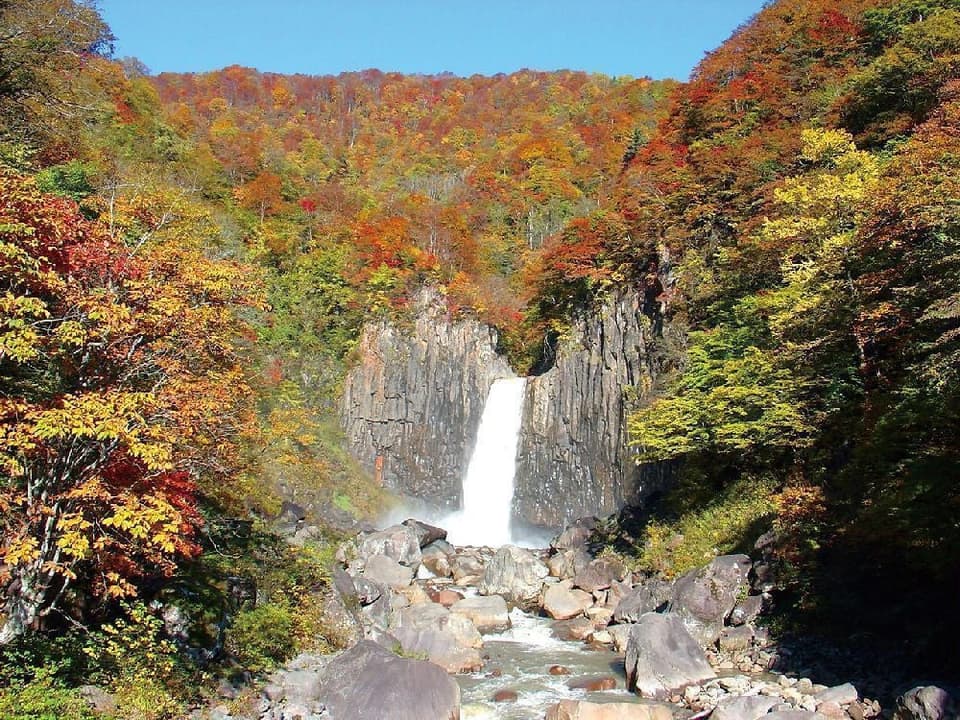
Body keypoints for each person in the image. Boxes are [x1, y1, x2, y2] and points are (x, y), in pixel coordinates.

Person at [641, 260, 664, 336]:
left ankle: (653, 333)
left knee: (656, 319)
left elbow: (660, 292)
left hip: (654, 303)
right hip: (647, 303)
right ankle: (648, 331)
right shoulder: (646, 280)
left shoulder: (657, 283)